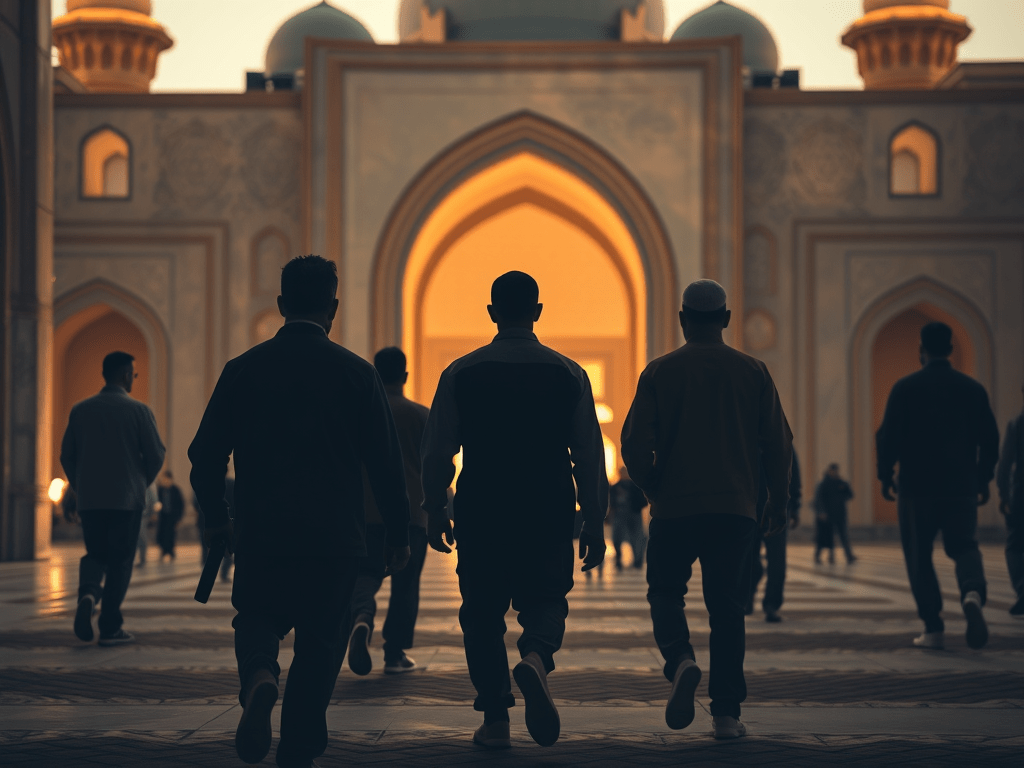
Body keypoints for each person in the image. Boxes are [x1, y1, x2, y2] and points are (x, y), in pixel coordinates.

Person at [189, 255, 411, 768]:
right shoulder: (357, 374)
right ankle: (298, 749)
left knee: (257, 616)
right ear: (333, 307)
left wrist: (217, 517)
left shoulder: (243, 370)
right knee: (320, 640)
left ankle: (261, 675)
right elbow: (385, 464)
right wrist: (397, 533)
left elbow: (204, 456)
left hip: (263, 530)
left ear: (282, 304)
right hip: (335, 536)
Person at [420, 271, 608, 750]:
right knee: (547, 598)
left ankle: (497, 721)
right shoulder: (568, 373)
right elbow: (588, 454)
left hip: (483, 503)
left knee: (481, 612)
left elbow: (438, 450)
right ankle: (537, 658)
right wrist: (594, 518)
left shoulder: (462, 371)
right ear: (538, 311)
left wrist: (436, 508)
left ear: (491, 312)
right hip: (547, 503)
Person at [621, 279, 792, 741]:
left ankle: (680, 659)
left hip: (675, 508)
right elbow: (779, 443)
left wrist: (653, 485)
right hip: (734, 509)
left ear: (682, 320)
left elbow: (634, 445)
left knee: (664, 592)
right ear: (727, 320)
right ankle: (727, 714)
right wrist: (779, 499)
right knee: (727, 609)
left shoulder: (660, 372)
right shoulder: (752, 371)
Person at [877, 321, 1000, 651]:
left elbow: (887, 437)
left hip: (917, 488)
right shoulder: (972, 390)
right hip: (961, 486)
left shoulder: (906, 388)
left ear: (921, 350)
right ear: (950, 349)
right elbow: (990, 440)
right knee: (965, 546)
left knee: (919, 556)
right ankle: (972, 591)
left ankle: (933, 627)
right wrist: (983, 478)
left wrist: (885, 475)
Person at [60, 351, 166, 647]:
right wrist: (139, 482)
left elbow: (66, 455)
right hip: (126, 500)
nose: (134, 378)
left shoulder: (81, 410)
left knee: (95, 554)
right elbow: (156, 454)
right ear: (123, 375)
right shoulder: (138, 411)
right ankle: (109, 626)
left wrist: (79, 486)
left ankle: (89, 593)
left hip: (91, 500)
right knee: (120, 561)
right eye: (133, 373)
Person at [347, 346, 431, 676]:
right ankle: (394, 653)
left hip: (364, 513)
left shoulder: (358, 415)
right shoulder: (421, 416)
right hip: (412, 513)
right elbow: (436, 465)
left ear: (374, 372)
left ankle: (361, 617)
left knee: (365, 575)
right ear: (405, 375)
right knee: (405, 584)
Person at [747, 451, 802, 622]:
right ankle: (770, 605)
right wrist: (795, 507)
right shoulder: (784, 442)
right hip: (772, 508)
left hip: (753, 508)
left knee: (750, 558)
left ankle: (749, 600)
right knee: (775, 560)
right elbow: (794, 478)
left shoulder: (747, 439)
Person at [996, 382, 1024, 616]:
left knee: (1015, 547)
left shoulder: (1017, 424)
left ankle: (1023, 591)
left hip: (1021, 496)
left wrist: (1003, 494)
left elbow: (1005, 464)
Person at [814, 464, 856, 564]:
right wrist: (821, 512)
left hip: (840, 514)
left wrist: (843, 493)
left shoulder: (841, 483)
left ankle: (848, 555)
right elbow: (818, 499)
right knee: (825, 537)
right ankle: (821, 555)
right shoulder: (823, 484)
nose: (834, 472)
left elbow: (850, 494)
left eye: (836, 470)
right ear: (829, 471)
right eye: (833, 470)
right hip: (827, 515)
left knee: (843, 535)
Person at [610, 466, 648, 570]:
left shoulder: (635, 487)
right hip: (620, 515)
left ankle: (637, 560)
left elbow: (643, 501)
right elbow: (612, 503)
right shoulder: (615, 487)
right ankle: (619, 558)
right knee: (617, 538)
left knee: (636, 538)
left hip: (634, 514)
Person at [156, 470, 185, 560]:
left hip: (172, 516)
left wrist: (179, 518)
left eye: (166, 479)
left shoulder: (175, 490)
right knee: (162, 534)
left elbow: (181, 505)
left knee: (171, 535)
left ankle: (170, 551)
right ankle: (164, 551)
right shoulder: (160, 490)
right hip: (163, 516)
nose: (165, 481)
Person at [136, 483, 158, 567]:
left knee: (142, 537)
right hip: (135, 514)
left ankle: (142, 559)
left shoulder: (147, 486)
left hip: (143, 515)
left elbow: (152, 500)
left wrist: (153, 513)